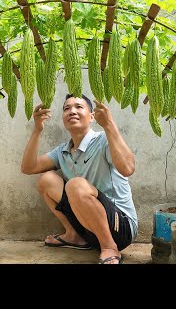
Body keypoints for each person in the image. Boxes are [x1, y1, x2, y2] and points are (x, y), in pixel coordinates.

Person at [20, 93, 138, 264]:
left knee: (75, 185)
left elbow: (128, 169)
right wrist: (37, 130)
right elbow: (28, 168)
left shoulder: (103, 140)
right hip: (88, 229)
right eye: (67, 108)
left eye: (79, 107)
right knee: (47, 180)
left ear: (91, 117)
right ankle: (74, 236)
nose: (72, 111)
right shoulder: (63, 151)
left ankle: (109, 248)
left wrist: (109, 125)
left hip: (121, 228)